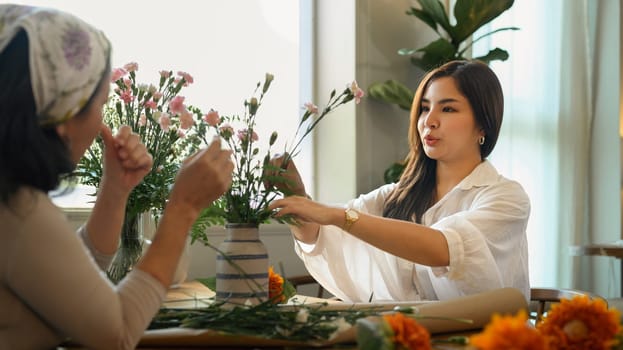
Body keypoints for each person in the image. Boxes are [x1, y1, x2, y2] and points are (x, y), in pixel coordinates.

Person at [0, 5, 233, 349]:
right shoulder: (17, 210)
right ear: (64, 114)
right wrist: (182, 207)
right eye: (101, 104)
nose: (101, 124)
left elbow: (70, 286)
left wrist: (115, 190)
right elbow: (117, 333)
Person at [269, 60, 530, 303]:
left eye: (448, 108)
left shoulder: (506, 197)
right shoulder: (397, 195)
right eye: (425, 108)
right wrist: (297, 196)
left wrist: (338, 214)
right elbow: (321, 236)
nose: (429, 121)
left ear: (483, 125)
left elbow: (444, 248)